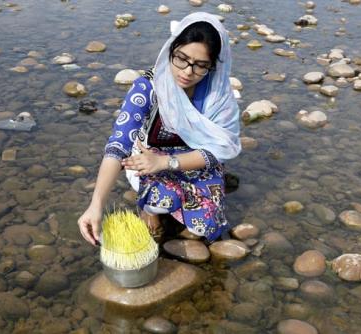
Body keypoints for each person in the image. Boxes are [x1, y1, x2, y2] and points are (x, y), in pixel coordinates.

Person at [78, 12, 241, 246]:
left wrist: (167, 163)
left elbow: (220, 149)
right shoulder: (148, 88)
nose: (187, 72)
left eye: (200, 66)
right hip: (148, 158)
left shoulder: (217, 96)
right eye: (181, 59)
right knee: (159, 200)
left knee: (205, 224)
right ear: (170, 50)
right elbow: (118, 146)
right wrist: (96, 205)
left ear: (213, 66)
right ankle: (150, 210)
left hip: (195, 161)